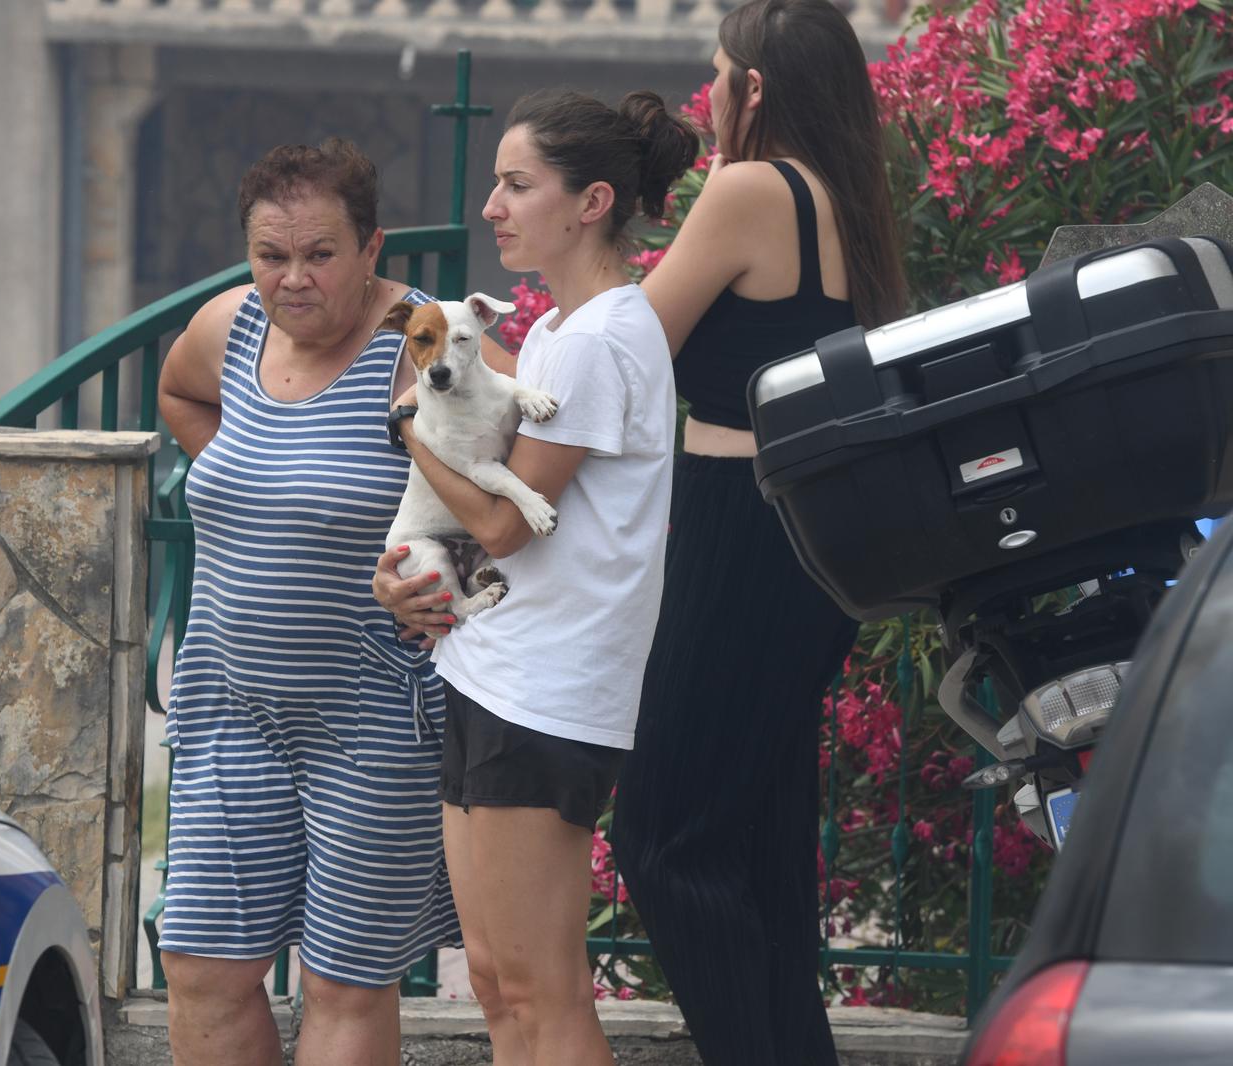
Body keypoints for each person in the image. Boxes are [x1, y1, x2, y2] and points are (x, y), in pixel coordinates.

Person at [153, 137, 505, 1066]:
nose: (291, 279)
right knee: (199, 965)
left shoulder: (429, 348)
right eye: (271, 256)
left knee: (344, 982)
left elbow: (522, 498)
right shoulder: (225, 328)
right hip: (229, 704)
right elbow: (179, 394)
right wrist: (263, 486)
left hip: (372, 716)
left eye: (319, 255)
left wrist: (436, 573)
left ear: (372, 248)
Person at [374, 89, 697, 1066]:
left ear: (591, 200)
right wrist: (417, 585)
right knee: (495, 980)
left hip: (547, 694)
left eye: (517, 185)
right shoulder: (564, 333)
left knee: (539, 993)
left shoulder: (599, 339)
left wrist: (407, 433)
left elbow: (507, 525)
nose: (492, 208)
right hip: (498, 672)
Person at [611, 2, 909, 1063]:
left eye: (718, 74)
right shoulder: (843, 199)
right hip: (798, 543)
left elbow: (631, 349)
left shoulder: (749, 189)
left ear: (758, 89)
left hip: (740, 538)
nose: (706, 96)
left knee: (664, 836)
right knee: (755, 849)